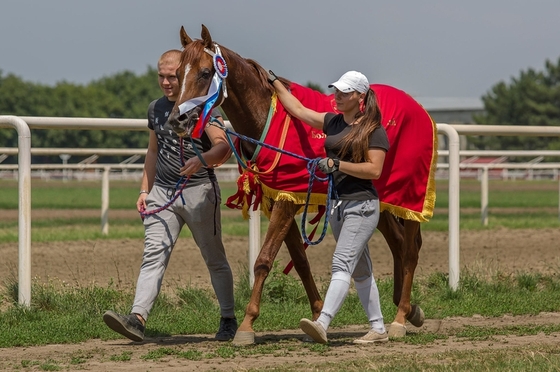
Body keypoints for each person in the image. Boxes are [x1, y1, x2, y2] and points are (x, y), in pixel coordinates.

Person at [103, 49, 237, 342]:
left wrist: (202, 160)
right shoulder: (155, 109)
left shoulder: (205, 109)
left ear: (184, 74)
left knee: (214, 258)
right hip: (162, 194)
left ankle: (228, 318)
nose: (166, 82)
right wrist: (144, 189)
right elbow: (153, 151)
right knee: (153, 255)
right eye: (161, 76)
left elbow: (223, 147)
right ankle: (137, 319)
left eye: (172, 76)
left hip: (199, 192)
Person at [269, 70, 390, 344]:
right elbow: (298, 110)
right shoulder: (332, 122)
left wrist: (337, 165)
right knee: (360, 270)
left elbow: (374, 170)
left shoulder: (374, 130)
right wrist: (274, 81)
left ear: (360, 96)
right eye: (337, 90)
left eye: (345, 92)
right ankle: (379, 329)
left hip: (362, 206)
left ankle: (322, 323)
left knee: (341, 263)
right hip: (337, 206)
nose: (338, 96)